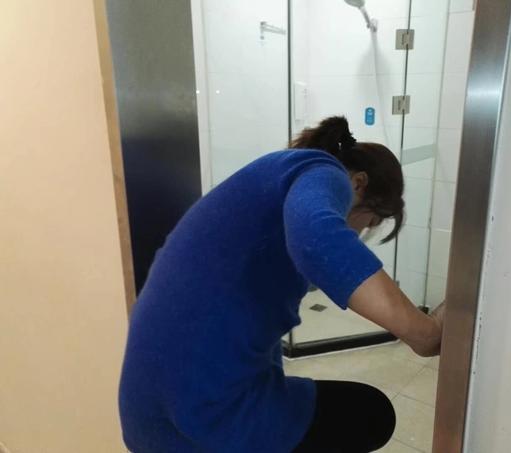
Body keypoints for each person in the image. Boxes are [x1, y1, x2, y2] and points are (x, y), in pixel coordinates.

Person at [118, 116, 446, 453]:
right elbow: (317, 241)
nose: (359, 233)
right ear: (359, 183)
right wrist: (424, 332)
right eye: (369, 221)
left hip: (149, 411)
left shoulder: (280, 174)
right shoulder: (325, 172)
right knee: (370, 415)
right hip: (199, 413)